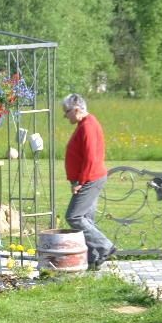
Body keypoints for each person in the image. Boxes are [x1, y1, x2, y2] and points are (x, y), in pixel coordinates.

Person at [62, 93, 116, 269]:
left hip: (90, 178)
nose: (65, 116)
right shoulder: (84, 124)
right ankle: (94, 258)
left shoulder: (87, 126)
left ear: (77, 110)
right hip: (91, 177)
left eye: (67, 111)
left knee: (74, 216)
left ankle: (105, 246)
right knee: (86, 218)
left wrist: (80, 182)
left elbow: (91, 158)